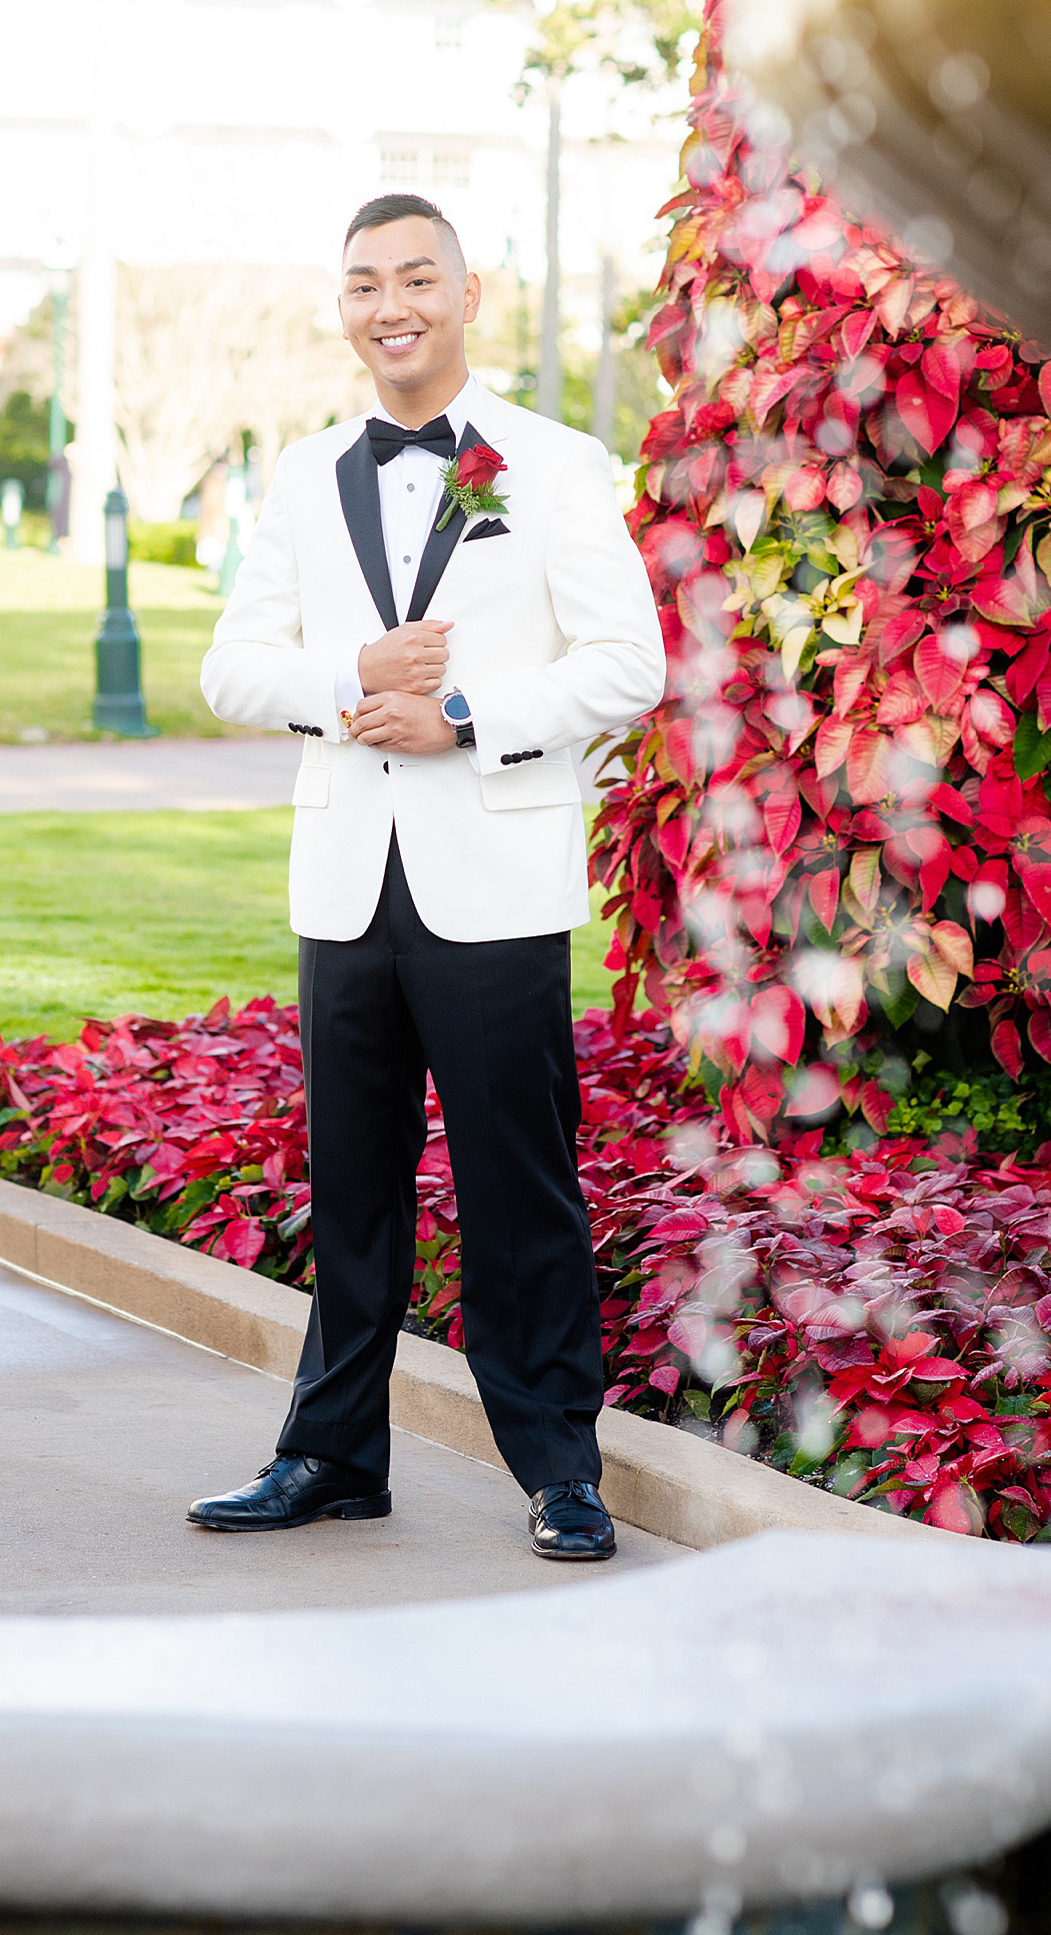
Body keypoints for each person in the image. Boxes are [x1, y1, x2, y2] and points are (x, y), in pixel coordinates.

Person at [190, 192, 665, 1561]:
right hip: (347, 881)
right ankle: (332, 1456)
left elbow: (627, 662)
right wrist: (350, 681)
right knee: (352, 1185)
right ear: (341, 306)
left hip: (495, 878)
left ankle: (560, 1469)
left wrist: (465, 715)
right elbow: (234, 665)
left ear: (470, 293)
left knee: (521, 1187)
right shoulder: (300, 471)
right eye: (362, 284)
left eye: (415, 278)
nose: (389, 304)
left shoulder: (559, 464)